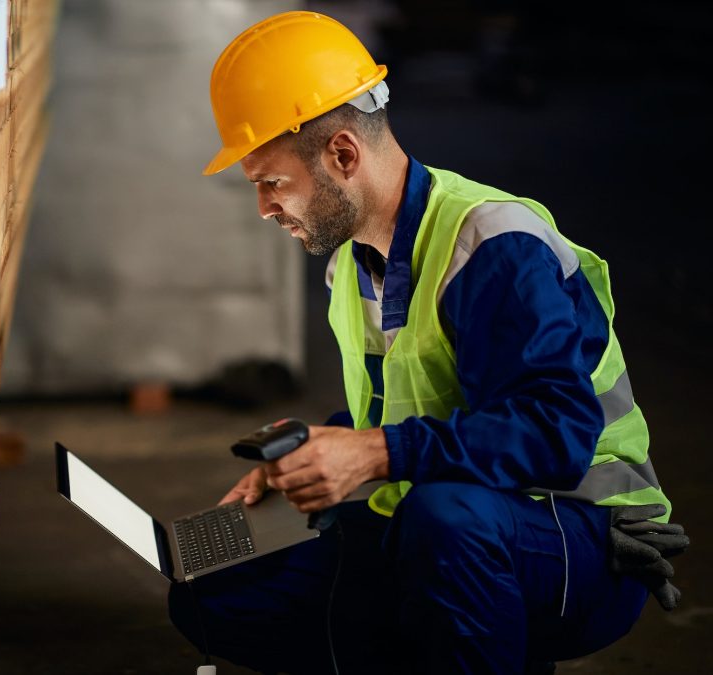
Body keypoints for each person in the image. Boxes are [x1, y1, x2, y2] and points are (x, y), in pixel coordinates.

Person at [167, 11, 688, 674]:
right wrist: (316, 454)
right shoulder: (353, 261)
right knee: (214, 586)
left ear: (343, 155)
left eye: (270, 182)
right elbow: (405, 411)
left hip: (574, 534)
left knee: (446, 520)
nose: (265, 208)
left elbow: (556, 433)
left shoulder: (495, 247)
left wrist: (375, 452)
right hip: (442, 517)